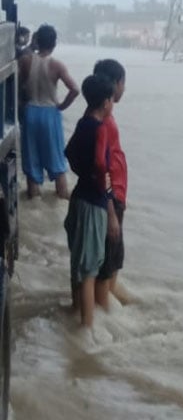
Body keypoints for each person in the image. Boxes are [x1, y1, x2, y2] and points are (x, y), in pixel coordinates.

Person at [63, 75, 119, 328]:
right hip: (93, 203)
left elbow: (69, 152)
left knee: (78, 261)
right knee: (89, 271)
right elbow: (101, 164)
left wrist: (84, 175)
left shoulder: (83, 122)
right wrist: (108, 201)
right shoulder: (100, 128)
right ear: (107, 102)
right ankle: (86, 330)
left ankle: (75, 312)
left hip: (78, 196)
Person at [19, 24, 78, 199]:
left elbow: (18, 85)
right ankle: (61, 199)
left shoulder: (25, 61)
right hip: (49, 113)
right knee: (57, 162)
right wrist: (61, 106)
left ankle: (34, 203)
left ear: (36, 41)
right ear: (54, 44)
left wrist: (22, 103)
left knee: (31, 163)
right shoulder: (57, 65)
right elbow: (75, 89)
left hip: (30, 113)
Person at [92, 59, 130, 309]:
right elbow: (100, 167)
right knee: (106, 263)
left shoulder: (103, 117)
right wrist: (111, 210)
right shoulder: (103, 123)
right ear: (116, 84)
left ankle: (111, 307)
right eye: (123, 83)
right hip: (111, 198)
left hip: (116, 196)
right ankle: (104, 315)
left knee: (114, 259)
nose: (124, 88)